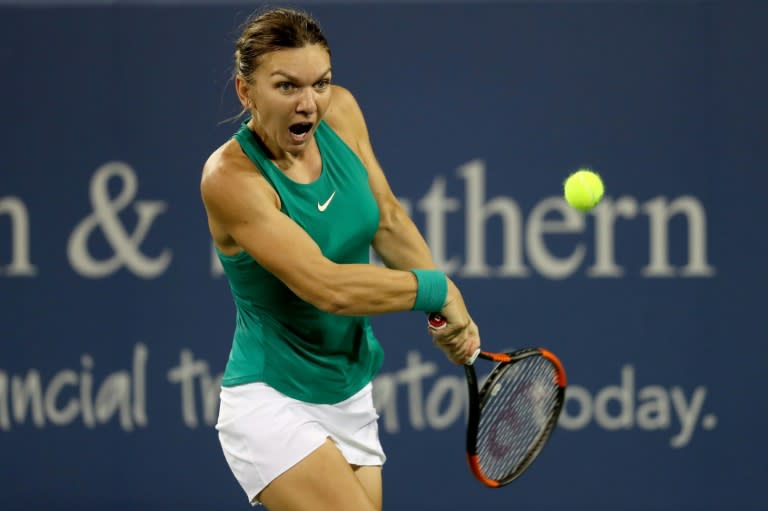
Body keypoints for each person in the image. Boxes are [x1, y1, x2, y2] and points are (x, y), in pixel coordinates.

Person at [200, 7, 481, 511]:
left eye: (321, 83)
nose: (310, 104)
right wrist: (438, 290)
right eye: (287, 87)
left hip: (349, 392)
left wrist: (446, 315)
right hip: (273, 398)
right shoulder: (230, 179)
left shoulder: (342, 112)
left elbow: (389, 220)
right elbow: (326, 287)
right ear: (247, 92)